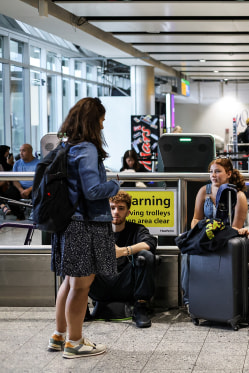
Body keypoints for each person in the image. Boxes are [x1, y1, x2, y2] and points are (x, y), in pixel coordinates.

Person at [47, 97, 120, 358]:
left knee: (69, 281)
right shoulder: (87, 149)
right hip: (85, 225)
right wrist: (115, 185)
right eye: (101, 118)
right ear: (92, 120)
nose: (103, 123)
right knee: (81, 285)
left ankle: (59, 335)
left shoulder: (68, 147)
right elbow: (92, 191)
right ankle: (75, 342)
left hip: (69, 223)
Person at [180, 157, 249, 308]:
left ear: (229, 173)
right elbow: (195, 219)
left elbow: (235, 228)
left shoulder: (238, 196)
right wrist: (200, 233)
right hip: (206, 235)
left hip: (225, 238)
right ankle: (189, 299)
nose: (213, 175)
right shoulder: (204, 191)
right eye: (211, 172)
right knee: (186, 252)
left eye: (218, 171)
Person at [88, 190, 157, 328]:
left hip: (126, 283)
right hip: (100, 283)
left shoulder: (136, 229)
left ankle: (141, 308)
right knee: (76, 257)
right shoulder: (97, 230)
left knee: (146, 256)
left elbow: (150, 243)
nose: (116, 212)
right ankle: (81, 309)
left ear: (128, 212)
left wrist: (123, 251)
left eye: (121, 208)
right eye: (112, 208)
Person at [10, 144, 39, 220]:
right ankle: (20, 215)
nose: (21, 153)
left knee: (40, 192)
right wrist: (21, 190)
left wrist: (28, 190)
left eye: (23, 150)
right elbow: (14, 179)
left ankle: (35, 215)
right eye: (20, 151)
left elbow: (40, 181)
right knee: (9, 193)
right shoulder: (17, 163)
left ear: (30, 152)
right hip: (21, 188)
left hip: (34, 188)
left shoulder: (38, 164)